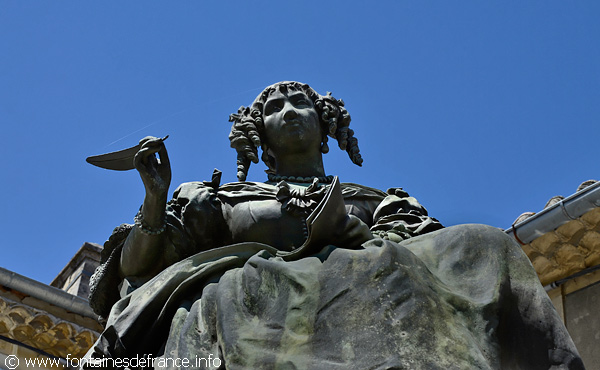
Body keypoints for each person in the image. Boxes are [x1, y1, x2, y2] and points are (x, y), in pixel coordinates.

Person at [86, 81, 583, 369]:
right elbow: (141, 268)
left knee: (483, 241)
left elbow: (428, 246)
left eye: (299, 103)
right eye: (274, 109)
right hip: (263, 289)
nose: (289, 111)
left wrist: (356, 234)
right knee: (268, 279)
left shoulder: (376, 200)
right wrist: (155, 200)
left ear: (326, 126)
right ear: (259, 138)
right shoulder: (223, 200)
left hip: (368, 267)